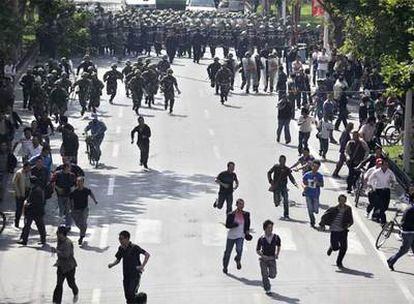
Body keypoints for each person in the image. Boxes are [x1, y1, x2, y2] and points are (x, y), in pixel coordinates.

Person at [108, 230, 150, 304]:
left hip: (135, 275)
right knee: (127, 296)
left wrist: (142, 266)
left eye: (121, 238)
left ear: (127, 238)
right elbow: (118, 259)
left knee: (132, 293)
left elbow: (147, 254)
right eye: (119, 239)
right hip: (126, 275)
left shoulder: (135, 247)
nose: (120, 240)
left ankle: (142, 299)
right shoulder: (121, 248)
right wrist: (112, 264)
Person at [320, 194, 354, 269]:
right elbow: (324, 216)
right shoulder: (333, 209)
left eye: (344, 200)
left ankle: (339, 262)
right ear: (338, 201)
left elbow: (351, 220)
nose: (342, 201)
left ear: (345, 201)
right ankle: (332, 247)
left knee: (344, 247)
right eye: (341, 200)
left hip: (343, 230)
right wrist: (322, 224)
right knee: (335, 247)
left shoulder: (348, 209)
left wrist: (348, 224)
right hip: (334, 230)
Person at [387, 185, 414, 271]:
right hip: (408, 233)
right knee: (404, 250)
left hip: (411, 232)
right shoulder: (410, 210)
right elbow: (404, 222)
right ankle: (391, 261)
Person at [222, 198, 251, 274]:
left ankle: (238, 259)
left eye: (242, 204)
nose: (241, 206)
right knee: (228, 252)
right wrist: (234, 225)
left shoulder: (246, 214)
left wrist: (247, 233)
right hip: (231, 236)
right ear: (236, 205)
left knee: (239, 249)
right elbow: (227, 225)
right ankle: (225, 267)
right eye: (240, 204)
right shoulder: (231, 214)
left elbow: (247, 224)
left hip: (240, 235)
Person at [51, 226, 79, 304]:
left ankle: (76, 292)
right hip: (61, 266)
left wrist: (57, 251)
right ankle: (56, 301)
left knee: (71, 283)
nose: (57, 234)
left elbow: (66, 255)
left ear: (63, 234)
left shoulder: (68, 243)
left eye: (59, 233)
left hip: (69, 267)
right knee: (59, 284)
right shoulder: (60, 240)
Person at [18, 176, 46, 245]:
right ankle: (24, 240)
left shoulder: (37, 190)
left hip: (35, 211)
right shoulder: (35, 189)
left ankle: (42, 240)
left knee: (38, 226)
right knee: (29, 226)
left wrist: (27, 205)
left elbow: (36, 202)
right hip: (34, 211)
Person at [70, 177, 98, 245]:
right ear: (76, 182)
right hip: (75, 210)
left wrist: (95, 200)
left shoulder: (86, 190)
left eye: (80, 182)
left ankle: (81, 237)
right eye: (78, 181)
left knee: (83, 222)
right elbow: (70, 200)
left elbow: (91, 194)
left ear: (83, 183)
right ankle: (83, 230)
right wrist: (71, 208)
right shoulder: (74, 191)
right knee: (77, 223)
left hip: (84, 209)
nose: (79, 183)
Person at [256, 220, 281, 295]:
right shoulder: (261, 239)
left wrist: (277, 254)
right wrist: (263, 256)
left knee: (273, 275)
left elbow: (279, 246)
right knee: (264, 275)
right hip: (263, 259)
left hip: (272, 259)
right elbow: (257, 250)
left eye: (271, 227)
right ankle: (267, 289)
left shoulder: (276, 237)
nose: (270, 229)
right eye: (269, 227)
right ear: (265, 228)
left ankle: (270, 275)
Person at [367, 159, 396, 224]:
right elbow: (370, 179)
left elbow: (394, 180)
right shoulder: (376, 172)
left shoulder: (390, 172)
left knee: (385, 206)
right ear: (381, 165)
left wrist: (392, 182)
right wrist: (371, 186)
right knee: (381, 206)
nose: (386, 166)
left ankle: (378, 215)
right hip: (379, 190)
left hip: (386, 190)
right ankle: (383, 220)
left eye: (387, 165)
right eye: (384, 165)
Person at [51, 163, 76, 229]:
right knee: (61, 210)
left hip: (68, 195)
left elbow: (75, 184)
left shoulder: (72, 175)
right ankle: (60, 225)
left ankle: (68, 225)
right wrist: (57, 188)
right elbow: (52, 182)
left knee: (68, 210)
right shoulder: (58, 174)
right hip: (60, 195)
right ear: (65, 168)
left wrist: (72, 188)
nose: (69, 169)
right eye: (68, 168)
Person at [303, 160, 324, 228]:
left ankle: (314, 213)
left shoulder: (320, 176)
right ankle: (312, 221)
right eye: (314, 166)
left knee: (316, 210)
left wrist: (317, 182)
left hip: (316, 195)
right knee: (310, 209)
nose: (315, 168)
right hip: (308, 194)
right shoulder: (307, 174)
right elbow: (303, 182)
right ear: (312, 166)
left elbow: (322, 185)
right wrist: (305, 186)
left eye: (317, 167)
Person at [12, 162, 31, 228]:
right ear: (25, 167)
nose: (29, 168)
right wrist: (18, 193)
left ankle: (26, 223)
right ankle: (16, 222)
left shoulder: (29, 173)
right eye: (28, 167)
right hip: (20, 193)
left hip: (27, 192)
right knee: (19, 209)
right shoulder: (19, 173)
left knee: (27, 208)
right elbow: (14, 183)